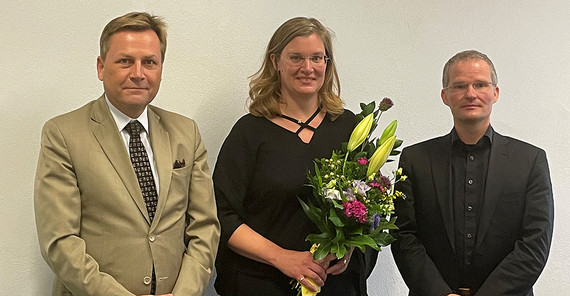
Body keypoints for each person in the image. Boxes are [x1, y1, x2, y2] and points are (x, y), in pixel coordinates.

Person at [34, 12, 220, 296]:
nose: (138, 73)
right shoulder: (63, 134)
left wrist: (185, 293)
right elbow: (60, 241)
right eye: (125, 61)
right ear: (100, 67)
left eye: (149, 62)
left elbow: (205, 226)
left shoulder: (186, 132)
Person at [213, 17, 373, 296]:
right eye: (296, 57)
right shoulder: (250, 132)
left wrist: (349, 247)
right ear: (276, 61)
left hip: (334, 285)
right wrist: (282, 258)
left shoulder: (349, 127)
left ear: (327, 63)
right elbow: (222, 215)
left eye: (316, 58)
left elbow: (369, 205)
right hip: (262, 284)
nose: (307, 68)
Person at [390, 50, 554, 296]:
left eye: (480, 85)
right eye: (460, 86)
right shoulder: (415, 160)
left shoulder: (530, 161)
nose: (470, 94)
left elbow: (535, 243)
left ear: (495, 93)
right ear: (445, 96)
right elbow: (403, 236)